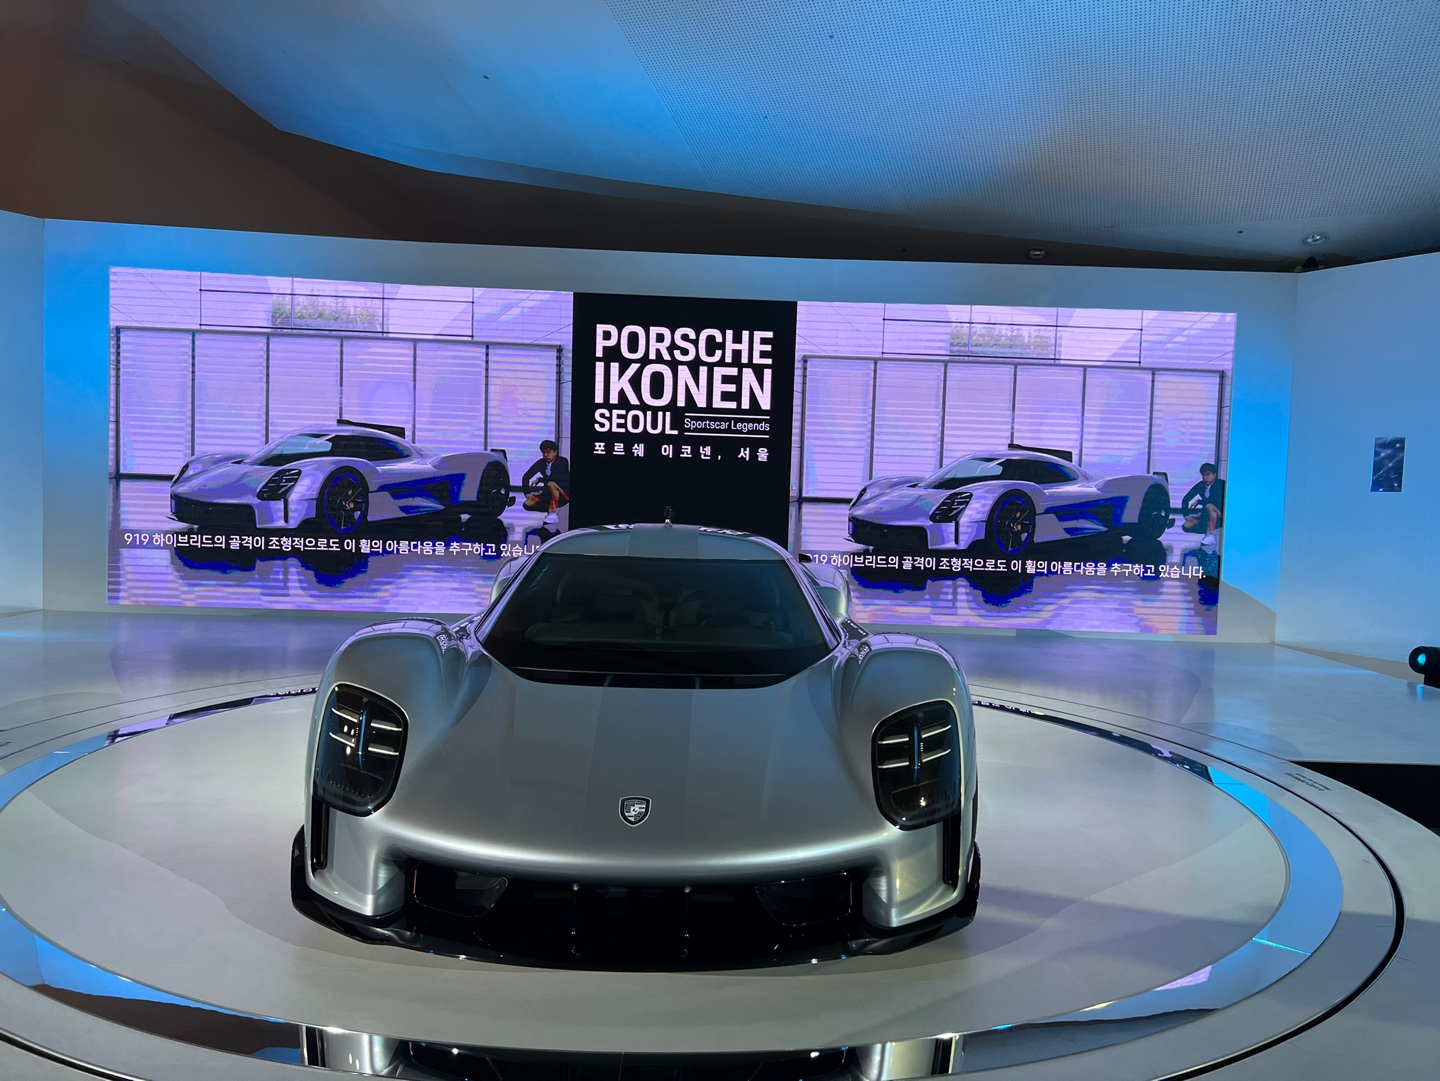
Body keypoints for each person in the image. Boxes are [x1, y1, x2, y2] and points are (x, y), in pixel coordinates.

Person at [522, 439, 570, 525]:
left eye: (548, 452)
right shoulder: (541, 462)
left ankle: (552, 513)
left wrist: (540, 479)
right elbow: (526, 477)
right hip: (548, 493)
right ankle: (549, 508)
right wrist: (527, 493)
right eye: (543, 452)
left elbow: (555, 479)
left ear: (555, 452)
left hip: (564, 493)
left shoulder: (562, 461)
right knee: (527, 504)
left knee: (551, 484)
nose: (546, 455)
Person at [1181, 463, 1225, 543]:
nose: (1205, 477)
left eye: (1208, 474)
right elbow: (1185, 499)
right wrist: (1186, 515)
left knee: (1209, 506)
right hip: (1205, 515)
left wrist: (1199, 501)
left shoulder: (1220, 484)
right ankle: (1206, 527)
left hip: (1220, 514)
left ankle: (1210, 534)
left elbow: (1214, 501)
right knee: (1186, 526)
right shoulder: (1201, 485)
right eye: (1203, 475)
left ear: (1214, 474)